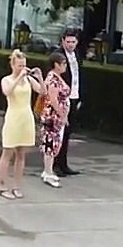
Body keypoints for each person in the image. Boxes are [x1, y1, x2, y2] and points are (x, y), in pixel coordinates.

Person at [0, 50, 44, 200]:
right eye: (19, 65)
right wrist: (19, 77)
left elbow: (42, 92)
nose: (22, 68)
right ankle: (3, 186)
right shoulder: (7, 80)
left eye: (24, 65)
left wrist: (39, 78)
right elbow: (7, 92)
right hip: (13, 117)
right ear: (13, 65)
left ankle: (17, 186)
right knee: (7, 153)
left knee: (21, 155)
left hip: (26, 117)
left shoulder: (29, 81)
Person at [38, 52, 72, 189]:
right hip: (52, 116)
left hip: (57, 116)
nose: (65, 66)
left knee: (55, 143)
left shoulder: (57, 78)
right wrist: (62, 115)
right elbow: (53, 100)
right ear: (56, 65)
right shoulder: (52, 79)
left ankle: (49, 170)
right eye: (63, 64)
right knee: (51, 144)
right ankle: (48, 171)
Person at [53, 31, 83, 177]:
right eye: (68, 42)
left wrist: (79, 97)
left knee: (68, 132)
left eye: (73, 42)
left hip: (74, 96)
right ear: (63, 41)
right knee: (59, 131)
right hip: (63, 97)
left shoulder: (77, 55)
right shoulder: (58, 55)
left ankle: (63, 164)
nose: (71, 44)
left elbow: (79, 75)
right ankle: (55, 163)